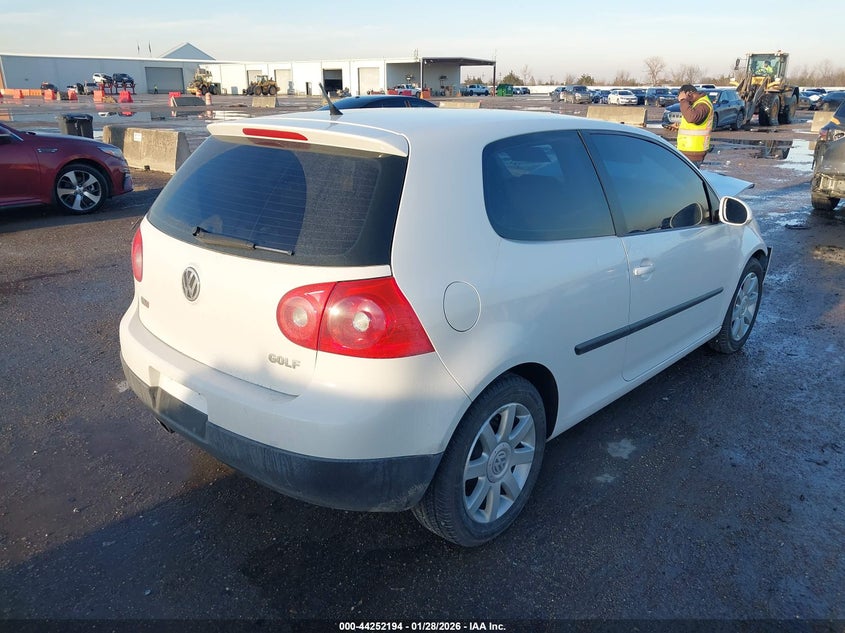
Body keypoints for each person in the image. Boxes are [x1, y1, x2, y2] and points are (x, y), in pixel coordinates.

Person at [671, 84, 713, 166]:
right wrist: (679, 126)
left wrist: (683, 100)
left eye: (685, 97)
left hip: (694, 153)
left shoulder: (703, 105)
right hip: (688, 152)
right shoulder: (697, 104)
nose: (687, 102)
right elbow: (694, 124)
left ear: (689, 94)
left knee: (687, 178)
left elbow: (692, 117)